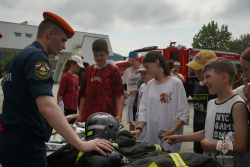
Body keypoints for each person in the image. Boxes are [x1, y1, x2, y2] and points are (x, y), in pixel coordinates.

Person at [0, 12, 113, 167]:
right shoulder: (38, 58)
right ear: (50, 33)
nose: (64, 46)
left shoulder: (23, 55)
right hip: (26, 147)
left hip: (14, 143)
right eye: (63, 40)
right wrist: (81, 144)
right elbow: (46, 105)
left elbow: (22, 102)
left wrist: (58, 121)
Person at [164, 57, 249, 166]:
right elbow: (207, 132)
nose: (204, 82)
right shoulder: (211, 103)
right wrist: (179, 138)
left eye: (208, 77)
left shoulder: (237, 105)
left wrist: (211, 146)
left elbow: (241, 146)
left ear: (224, 77)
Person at [131, 51, 189, 153]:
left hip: (170, 138)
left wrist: (171, 131)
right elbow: (143, 110)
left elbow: (184, 113)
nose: (146, 70)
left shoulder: (176, 83)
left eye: (147, 66)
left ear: (157, 62)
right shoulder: (149, 85)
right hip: (152, 136)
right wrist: (139, 129)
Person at [76, 39, 124, 123]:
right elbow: (83, 94)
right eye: (96, 55)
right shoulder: (88, 70)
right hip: (88, 117)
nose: (99, 58)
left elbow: (119, 95)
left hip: (107, 117)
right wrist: (80, 114)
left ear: (107, 53)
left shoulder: (113, 71)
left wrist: (119, 115)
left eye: (101, 55)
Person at [186, 50, 217, 154]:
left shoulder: (216, 90)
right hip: (198, 135)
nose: (196, 72)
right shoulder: (197, 86)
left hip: (212, 139)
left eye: (199, 69)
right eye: (195, 69)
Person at [57, 55, 84, 124]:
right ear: (72, 64)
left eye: (80, 67)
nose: (79, 68)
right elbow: (60, 94)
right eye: (78, 66)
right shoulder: (65, 76)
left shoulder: (76, 77)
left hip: (74, 107)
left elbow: (74, 89)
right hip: (66, 107)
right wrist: (60, 109)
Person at [134, 63, 153, 142]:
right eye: (141, 73)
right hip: (140, 119)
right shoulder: (142, 86)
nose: (142, 75)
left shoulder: (153, 87)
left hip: (148, 121)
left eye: (145, 73)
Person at [122, 51, 141, 131]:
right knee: (131, 122)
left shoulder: (142, 70)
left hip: (139, 102)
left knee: (140, 122)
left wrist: (137, 91)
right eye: (130, 60)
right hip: (129, 102)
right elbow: (120, 84)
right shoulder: (127, 71)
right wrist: (123, 91)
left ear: (137, 60)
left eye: (133, 60)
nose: (131, 62)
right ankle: (132, 139)